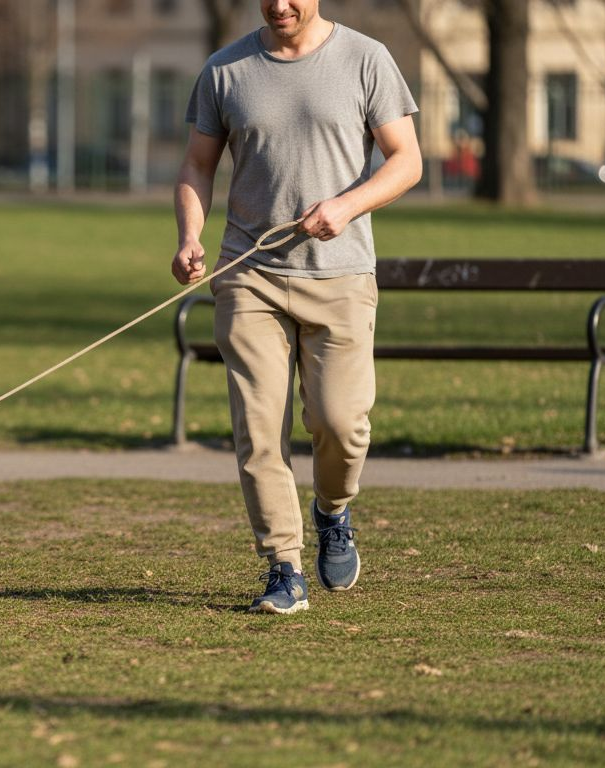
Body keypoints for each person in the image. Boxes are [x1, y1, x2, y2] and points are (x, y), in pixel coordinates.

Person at [172, 0, 422, 613]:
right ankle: (283, 565)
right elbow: (198, 165)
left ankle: (333, 510)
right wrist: (189, 237)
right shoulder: (225, 70)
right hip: (247, 275)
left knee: (340, 424)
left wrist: (347, 205)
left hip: (340, 276)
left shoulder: (366, 59)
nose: (280, 4)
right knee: (259, 430)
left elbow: (407, 160)